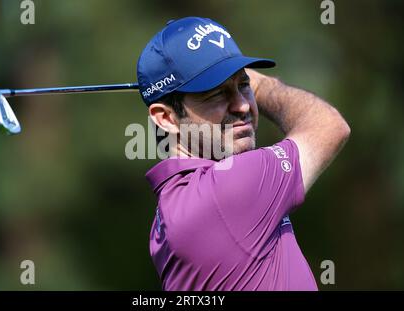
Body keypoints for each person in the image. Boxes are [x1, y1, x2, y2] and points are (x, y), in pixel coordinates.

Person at [136, 16, 350, 290]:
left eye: (243, 85)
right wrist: (259, 85)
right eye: (216, 93)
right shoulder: (232, 187)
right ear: (165, 118)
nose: (242, 106)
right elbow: (329, 126)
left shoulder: (167, 212)